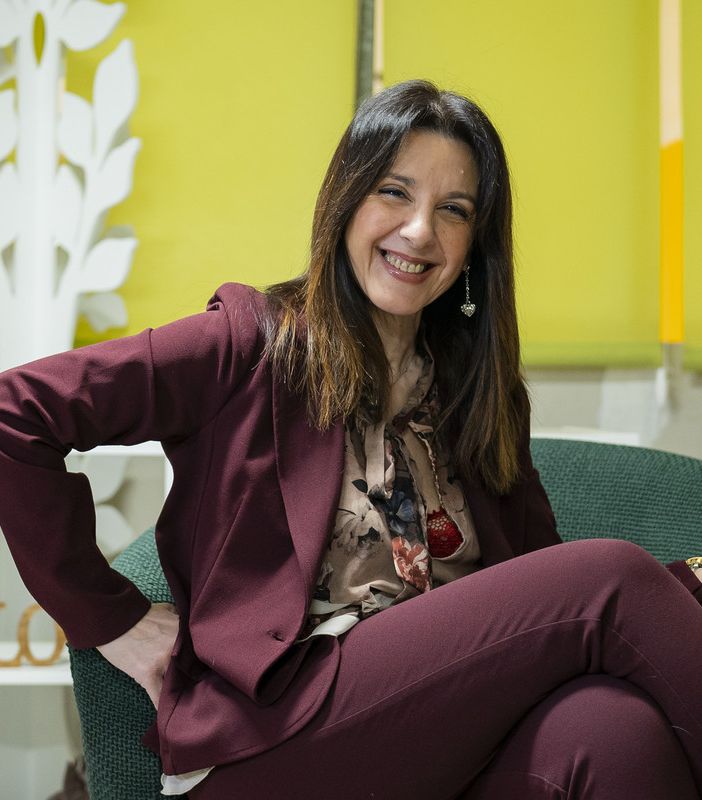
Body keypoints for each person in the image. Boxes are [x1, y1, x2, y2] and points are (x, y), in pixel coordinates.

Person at [0, 79, 701, 800]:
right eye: (394, 193)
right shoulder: (246, 345)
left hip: (444, 740)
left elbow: (535, 587)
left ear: (475, 245)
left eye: (454, 210)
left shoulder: (477, 390)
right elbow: (14, 414)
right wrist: (108, 617)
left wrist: (675, 589)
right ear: (346, 201)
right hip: (282, 740)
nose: (420, 231)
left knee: (614, 729)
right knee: (612, 579)